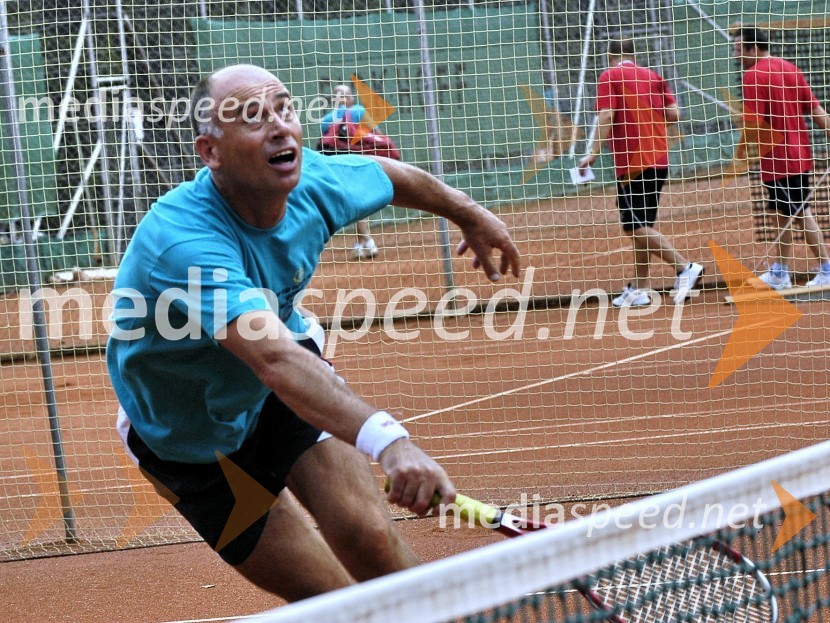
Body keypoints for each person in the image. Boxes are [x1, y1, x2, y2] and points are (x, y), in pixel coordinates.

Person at [105, 64, 520, 602]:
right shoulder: (180, 238)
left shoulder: (314, 182)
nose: (279, 126)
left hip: (283, 391)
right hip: (189, 445)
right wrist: (389, 442)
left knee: (370, 539)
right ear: (211, 153)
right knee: (333, 601)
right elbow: (273, 359)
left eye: (284, 108)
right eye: (253, 117)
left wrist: (468, 212)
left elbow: (388, 175)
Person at [579, 39, 704, 307]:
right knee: (643, 227)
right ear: (632, 56)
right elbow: (674, 114)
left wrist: (593, 152)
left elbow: (606, 114)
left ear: (610, 56)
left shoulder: (610, 75)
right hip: (659, 158)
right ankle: (639, 288)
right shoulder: (654, 76)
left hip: (633, 162)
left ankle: (685, 267)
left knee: (633, 226)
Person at [732, 26, 830, 290]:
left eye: (739, 49)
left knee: (800, 211)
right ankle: (780, 271)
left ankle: (826, 268)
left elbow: (755, 124)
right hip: (797, 154)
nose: (736, 54)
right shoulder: (791, 69)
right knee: (781, 213)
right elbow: (817, 111)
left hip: (780, 158)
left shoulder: (752, 76)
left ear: (754, 48)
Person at [321, 83, 379, 259]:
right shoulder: (354, 112)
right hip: (355, 164)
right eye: (339, 95)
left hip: (346, 165)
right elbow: (378, 136)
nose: (342, 98)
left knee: (357, 203)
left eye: (344, 95)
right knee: (358, 203)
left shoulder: (328, 119)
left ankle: (362, 242)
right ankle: (367, 241)